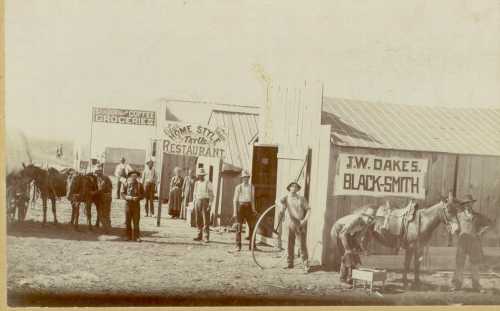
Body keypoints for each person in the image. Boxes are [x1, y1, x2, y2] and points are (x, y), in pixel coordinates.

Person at [451, 195, 491, 293]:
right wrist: (455, 231)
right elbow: (453, 226)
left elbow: (489, 224)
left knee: (474, 264)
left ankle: (476, 285)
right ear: (463, 205)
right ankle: (457, 285)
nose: (468, 205)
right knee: (459, 264)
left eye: (470, 203)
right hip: (462, 243)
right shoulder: (459, 216)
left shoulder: (477, 216)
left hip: (474, 243)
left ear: (472, 204)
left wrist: (481, 233)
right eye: (466, 204)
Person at [330, 206, 377, 287]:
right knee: (347, 255)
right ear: (363, 216)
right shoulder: (356, 219)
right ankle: (342, 280)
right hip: (338, 231)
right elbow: (342, 233)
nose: (370, 220)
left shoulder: (366, 224)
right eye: (368, 217)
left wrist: (362, 249)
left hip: (348, 234)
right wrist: (347, 249)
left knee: (354, 252)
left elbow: (357, 238)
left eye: (372, 218)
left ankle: (350, 278)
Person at [278, 181, 311, 273]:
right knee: (289, 243)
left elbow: (308, 209)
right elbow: (282, 210)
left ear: (298, 189)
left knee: (302, 244)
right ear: (289, 188)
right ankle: (290, 263)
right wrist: (281, 209)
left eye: (296, 187)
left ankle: (305, 264)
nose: (294, 188)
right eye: (292, 186)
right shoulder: (285, 198)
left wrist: (304, 220)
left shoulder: (301, 199)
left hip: (299, 223)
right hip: (290, 223)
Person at [232, 170, 257, 251]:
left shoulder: (252, 187)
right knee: (238, 227)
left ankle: (252, 246)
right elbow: (235, 200)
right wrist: (235, 212)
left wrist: (253, 209)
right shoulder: (238, 187)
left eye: (247, 177)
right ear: (242, 178)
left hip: (249, 207)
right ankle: (238, 246)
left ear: (249, 178)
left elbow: (252, 199)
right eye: (244, 178)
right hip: (241, 207)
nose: (245, 179)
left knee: (252, 226)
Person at [121, 170, 145, 242]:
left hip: (136, 205)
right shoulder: (126, 184)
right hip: (128, 205)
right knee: (128, 221)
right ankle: (128, 236)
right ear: (130, 176)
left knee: (136, 222)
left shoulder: (139, 185)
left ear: (137, 177)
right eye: (132, 176)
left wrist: (138, 198)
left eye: (135, 176)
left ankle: (137, 237)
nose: (134, 178)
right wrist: (128, 197)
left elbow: (143, 194)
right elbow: (122, 193)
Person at [193, 168, 214, 243]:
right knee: (198, 219)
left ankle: (206, 237)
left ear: (204, 175)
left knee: (206, 220)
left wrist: (210, 204)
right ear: (198, 175)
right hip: (198, 201)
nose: (201, 176)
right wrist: (194, 202)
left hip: (205, 201)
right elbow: (194, 194)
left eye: (202, 175)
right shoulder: (196, 183)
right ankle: (199, 235)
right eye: (199, 175)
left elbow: (211, 195)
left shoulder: (208, 183)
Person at [94, 164, 113, 232]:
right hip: (104, 197)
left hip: (105, 197)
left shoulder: (104, 178)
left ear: (100, 171)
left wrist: (93, 193)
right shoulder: (100, 178)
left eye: (97, 172)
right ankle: (108, 226)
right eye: (96, 172)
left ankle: (106, 228)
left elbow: (101, 188)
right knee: (106, 213)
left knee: (103, 213)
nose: (96, 173)